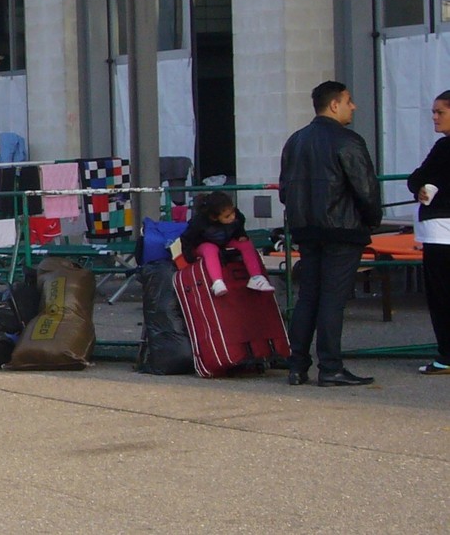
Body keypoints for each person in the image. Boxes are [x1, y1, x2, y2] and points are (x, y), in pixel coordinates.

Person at [279, 80, 382, 387]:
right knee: (332, 299)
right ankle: (331, 366)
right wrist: (371, 220)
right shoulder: (347, 140)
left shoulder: (295, 141)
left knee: (308, 296)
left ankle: (297, 365)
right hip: (343, 228)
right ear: (334, 104)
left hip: (306, 228)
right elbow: (366, 189)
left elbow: (285, 189)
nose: (354, 106)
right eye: (349, 100)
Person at [407, 89, 450, 376]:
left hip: (441, 232)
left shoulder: (444, 148)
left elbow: (418, 177)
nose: (434, 117)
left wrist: (421, 188)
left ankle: (446, 355)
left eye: (440, 112)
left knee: (441, 295)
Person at [179, 192, 275, 296]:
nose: (232, 217)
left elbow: (239, 227)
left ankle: (256, 277)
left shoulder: (237, 216)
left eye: (233, 212)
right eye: (227, 216)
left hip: (225, 241)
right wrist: (190, 257)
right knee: (210, 249)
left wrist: (241, 235)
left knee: (245, 244)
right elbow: (186, 239)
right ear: (214, 217)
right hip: (202, 244)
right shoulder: (199, 223)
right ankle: (217, 282)